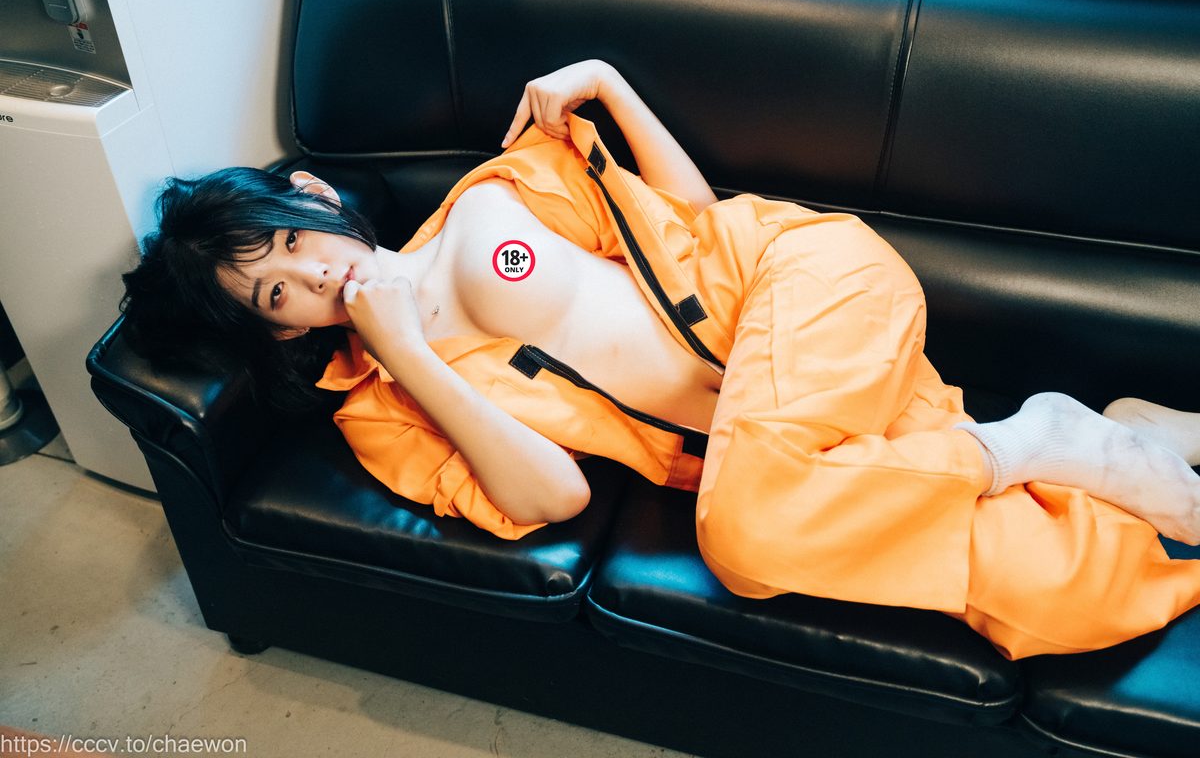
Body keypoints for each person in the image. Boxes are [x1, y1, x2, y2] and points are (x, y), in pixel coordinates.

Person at [120, 59, 1200, 660]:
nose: (314, 275)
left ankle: (1037, 436)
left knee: (749, 533)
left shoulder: (491, 196)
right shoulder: (380, 410)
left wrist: (610, 86)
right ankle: (1124, 435)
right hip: (798, 437)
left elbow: (693, 226)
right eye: (278, 292)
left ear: (314, 198)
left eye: (294, 242)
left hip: (800, 286)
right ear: (281, 330)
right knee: (1044, 595)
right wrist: (407, 354)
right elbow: (550, 496)